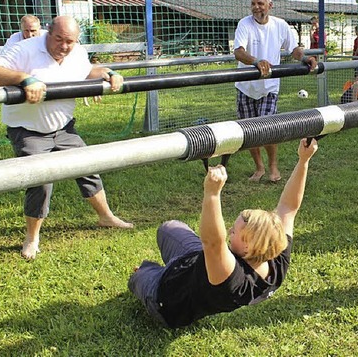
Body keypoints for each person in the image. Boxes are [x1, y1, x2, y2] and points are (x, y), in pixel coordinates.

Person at [0, 16, 133, 260]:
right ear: (47, 33)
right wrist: (23, 79)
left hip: (63, 127)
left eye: (69, 41)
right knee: (41, 179)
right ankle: (32, 237)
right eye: (58, 39)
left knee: (88, 167)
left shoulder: (77, 52)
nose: (63, 46)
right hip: (27, 129)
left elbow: (86, 71)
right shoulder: (24, 49)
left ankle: (106, 217)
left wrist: (106, 72)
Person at [128, 138, 318, 328]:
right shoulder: (276, 255)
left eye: (234, 231)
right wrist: (303, 160)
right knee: (168, 228)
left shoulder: (235, 280)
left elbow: (213, 242)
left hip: (168, 299)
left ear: (248, 246)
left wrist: (212, 193)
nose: (229, 231)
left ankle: (147, 272)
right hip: (194, 260)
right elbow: (288, 207)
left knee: (140, 275)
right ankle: (154, 269)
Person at [233, 0, 317, 183]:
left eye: (260, 3)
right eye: (253, 4)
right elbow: (238, 52)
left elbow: (294, 50)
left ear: (270, 5)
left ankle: (272, 166)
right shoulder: (244, 24)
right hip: (245, 87)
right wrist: (256, 62)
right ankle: (259, 168)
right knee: (249, 132)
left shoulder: (281, 25)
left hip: (269, 86)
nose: (256, 7)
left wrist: (304, 59)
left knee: (268, 130)